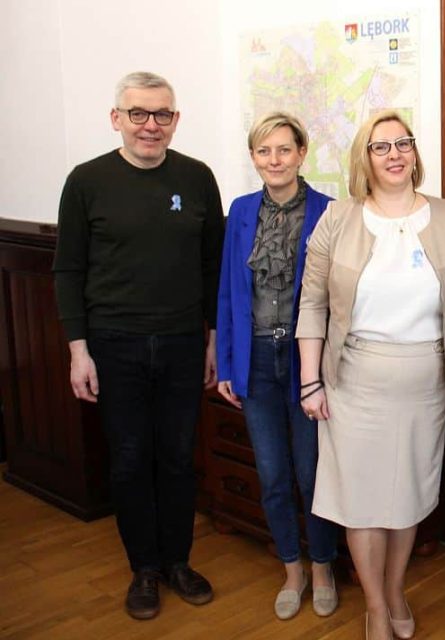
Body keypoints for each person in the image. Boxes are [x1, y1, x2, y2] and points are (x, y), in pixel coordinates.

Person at [295, 110, 445, 640]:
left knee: (408, 497)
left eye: (403, 143)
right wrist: (310, 381)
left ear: (414, 152)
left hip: (426, 381)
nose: (395, 154)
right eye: (381, 146)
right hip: (354, 381)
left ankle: (396, 588)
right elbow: (312, 304)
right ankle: (376, 606)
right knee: (362, 502)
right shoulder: (338, 218)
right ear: (365, 158)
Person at [53, 71, 224, 619]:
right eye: (138, 114)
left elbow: (213, 267)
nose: (151, 125)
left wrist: (213, 340)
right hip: (114, 346)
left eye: (162, 114)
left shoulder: (198, 178)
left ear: (176, 120)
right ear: (116, 119)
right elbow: (68, 270)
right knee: (129, 461)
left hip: (182, 343)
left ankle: (177, 561)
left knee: (177, 458)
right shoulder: (86, 181)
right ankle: (144, 569)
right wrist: (78, 350)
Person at [215, 111, 339, 619]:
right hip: (256, 361)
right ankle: (292, 568)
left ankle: (323, 566)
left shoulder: (330, 211)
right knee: (272, 475)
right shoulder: (241, 211)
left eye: (284, 149)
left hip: (307, 361)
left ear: (301, 153)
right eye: (264, 151)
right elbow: (228, 292)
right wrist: (227, 364)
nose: (275, 160)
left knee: (312, 475)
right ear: (253, 157)